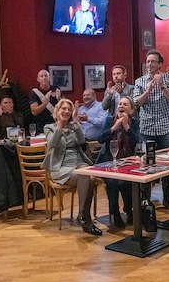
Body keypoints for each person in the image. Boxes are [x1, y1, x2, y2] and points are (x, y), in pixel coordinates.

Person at [41, 99, 101, 236]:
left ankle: (83, 216)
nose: (67, 111)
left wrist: (76, 123)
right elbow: (53, 144)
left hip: (78, 162)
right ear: (57, 111)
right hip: (60, 166)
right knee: (85, 176)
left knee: (91, 177)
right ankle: (85, 218)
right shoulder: (49, 127)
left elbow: (81, 142)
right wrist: (60, 124)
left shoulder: (74, 126)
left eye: (69, 109)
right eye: (64, 109)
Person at [133, 49, 169, 210]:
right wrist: (148, 89)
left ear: (160, 64)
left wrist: (162, 86)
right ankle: (145, 199)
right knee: (146, 164)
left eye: (153, 61)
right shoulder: (139, 81)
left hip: (165, 127)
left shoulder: (168, 78)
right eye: (148, 61)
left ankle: (167, 198)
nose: (149, 64)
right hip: (147, 128)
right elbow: (137, 103)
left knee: (167, 164)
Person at [96, 96, 139, 227]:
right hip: (109, 162)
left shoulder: (135, 123)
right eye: (120, 104)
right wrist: (113, 128)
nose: (121, 106)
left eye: (125, 104)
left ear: (131, 110)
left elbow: (138, 142)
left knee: (125, 182)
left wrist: (126, 126)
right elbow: (100, 139)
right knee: (112, 182)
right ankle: (115, 213)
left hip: (129, 163)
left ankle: (129, 209)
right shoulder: (109, 120)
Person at [30, 69, 62, 134]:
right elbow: (34, 112)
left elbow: (65, 107)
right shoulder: (34, 93)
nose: (44, 78)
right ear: (38, 79)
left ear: (49, 78)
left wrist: (59, 99)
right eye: (41, 76)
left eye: (46, 76)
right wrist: (45, 103)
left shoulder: (56, 90)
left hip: (56, 124)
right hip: (41, 126)